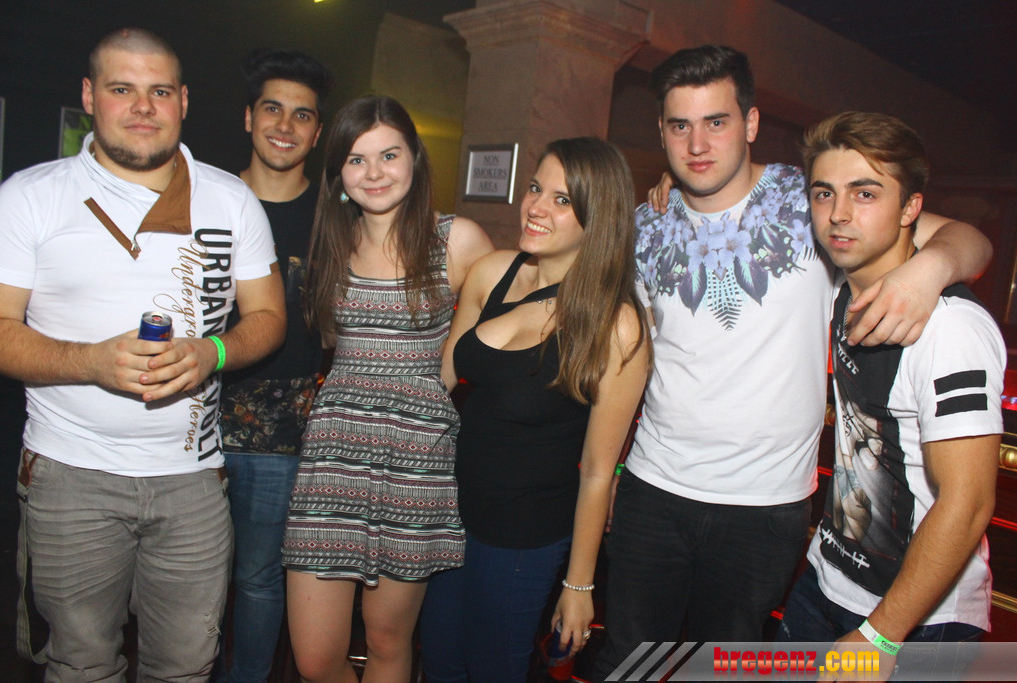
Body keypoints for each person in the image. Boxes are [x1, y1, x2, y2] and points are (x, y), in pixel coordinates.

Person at [595, 45, 992, 679]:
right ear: (662, 132)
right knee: (631, 662)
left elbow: (968, 240)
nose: (697, 145)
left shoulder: (812, 202)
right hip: (654, 488)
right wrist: (615, 469)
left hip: (767, 505)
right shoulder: (646, 224)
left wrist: (929, 271)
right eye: (679, 125)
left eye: (716, 121)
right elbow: (632, 362)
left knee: (726, 668)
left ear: (751, 123)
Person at [0, 28, 286, 680]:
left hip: (193, 482)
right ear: (89, 96)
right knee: (80, 663)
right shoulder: (28, 196)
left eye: (160, 91)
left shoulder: (231, 199)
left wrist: (214, 351)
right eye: (122, 89)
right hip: (69, 475)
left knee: (186, 666)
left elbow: (269, 318)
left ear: (184, 101)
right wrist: (89, 362)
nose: (143, 107)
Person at [421, 137, 652, 683]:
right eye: (534, 188)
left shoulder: (614, 324)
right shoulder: (492, 272)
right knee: (439, 662)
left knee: (492, 670)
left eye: (562, 200)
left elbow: (597, 471)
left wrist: (579, 584)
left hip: (521, 540)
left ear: (598, 218)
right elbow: (438, 387)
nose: (536, 207)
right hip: (449, 515)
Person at [281, 94, 493, 683]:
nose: (374, 172)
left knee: (387, 639)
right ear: (339, 173)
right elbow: (331, 341)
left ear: (415, 159)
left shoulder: (457, 240)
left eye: (389, 155)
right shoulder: (332, 242)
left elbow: (507, 321)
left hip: (414, 462)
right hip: (333, 456)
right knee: (315, 659)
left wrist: (434, 390)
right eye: (356, 159)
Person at [778, 112, 1002, 662]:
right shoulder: (841, 285)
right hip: (828, 580)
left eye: (865, 193)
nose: (839, 213)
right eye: (824, 193)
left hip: (918, 619)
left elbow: (968, 503)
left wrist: (881, 635)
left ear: (910, 209)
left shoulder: (951, 329)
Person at [213, 48, 330, 683]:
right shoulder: (207, 199)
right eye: (272, 109)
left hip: (283, 431)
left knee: (258, 579)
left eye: (301, 115)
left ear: (317, 131)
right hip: (189, 420)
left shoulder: (338, 218)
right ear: (248, 117)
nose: (285, 126)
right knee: (190, 575)